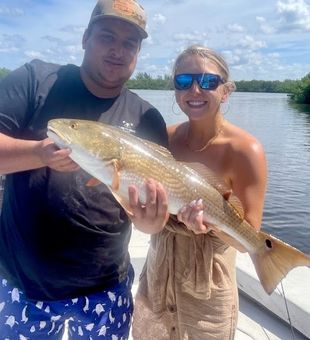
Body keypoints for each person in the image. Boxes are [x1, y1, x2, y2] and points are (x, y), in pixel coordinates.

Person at [0, 0, 169, 338]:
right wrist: (39, 153)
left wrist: (151, 221)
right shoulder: (36, 80)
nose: (117, 51)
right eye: (107, 37)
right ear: (84, 38)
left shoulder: (147, 117)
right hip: (24, 285)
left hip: (105, 287)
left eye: (129, 44)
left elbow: (150, 219)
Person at [132, 45, 267, 339]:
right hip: (157, 276)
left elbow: (248, 237)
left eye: (208, 82)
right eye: (183, 81)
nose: (195, 90)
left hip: (208, 292)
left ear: (226, 91)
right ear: (175, 89)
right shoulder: (163, 139)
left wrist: (211, 227)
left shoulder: (246, 150)